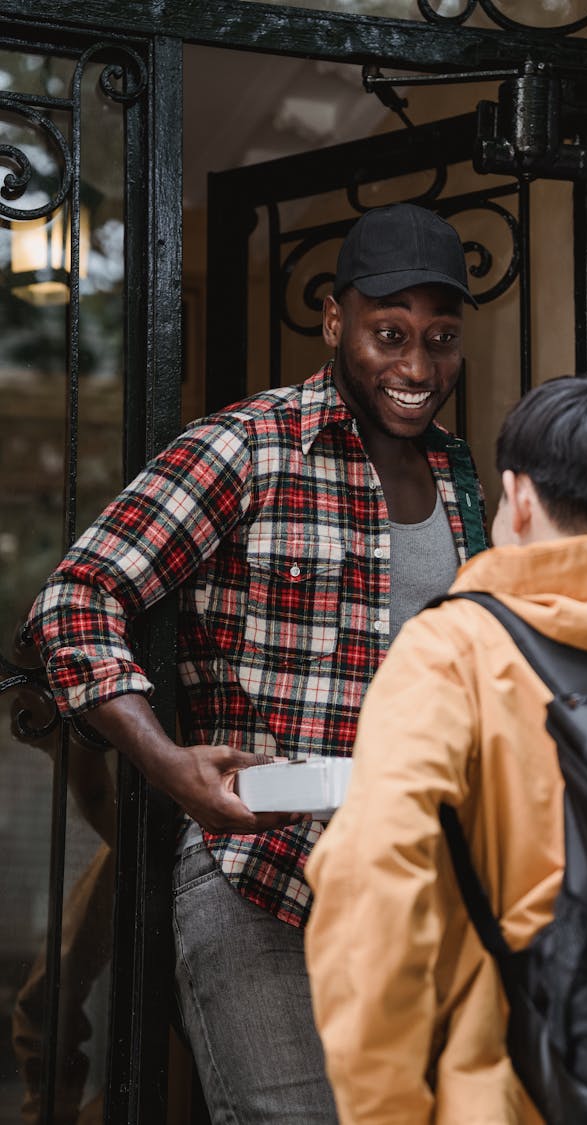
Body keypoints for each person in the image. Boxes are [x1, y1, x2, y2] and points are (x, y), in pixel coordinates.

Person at [27, 202, 487, 1123]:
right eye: (389, 333)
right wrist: (163, 761)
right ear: (333, 321)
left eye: (440, 339)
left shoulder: (460, 472)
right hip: (263, 875)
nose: (417, 367)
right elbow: (73, 601)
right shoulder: (248, 446)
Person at [304, 375, 587, 1125]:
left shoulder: (454, 649)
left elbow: (374, 879)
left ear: (521, 498)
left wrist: (386, 1110)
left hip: (515, 1092)